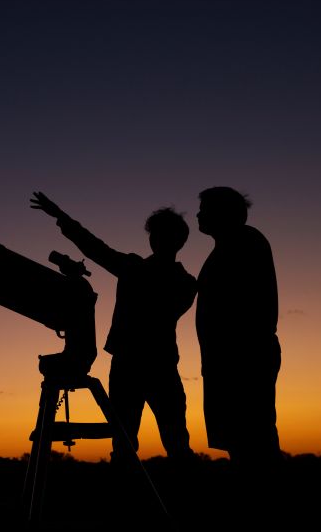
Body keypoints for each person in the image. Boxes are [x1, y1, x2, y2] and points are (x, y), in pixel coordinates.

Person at [31, 191, 197, 461]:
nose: (154, 239)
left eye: (158, 234)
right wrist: (60, 217)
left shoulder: (137, 269)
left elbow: (94, 248)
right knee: (168, 441)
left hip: (134, 366)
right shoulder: (186, 283)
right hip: (158, 366)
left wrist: (60, 216)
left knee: (133, 443)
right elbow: (93, 247)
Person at [195, 186, 282, 469]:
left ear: (223, 213)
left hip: (243, 360)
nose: (199, 214)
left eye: (205, 209)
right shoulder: (228, 246)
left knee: (253, 440)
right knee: (240, 441)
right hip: (227, 361)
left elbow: (245, 306)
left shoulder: (245, 241)